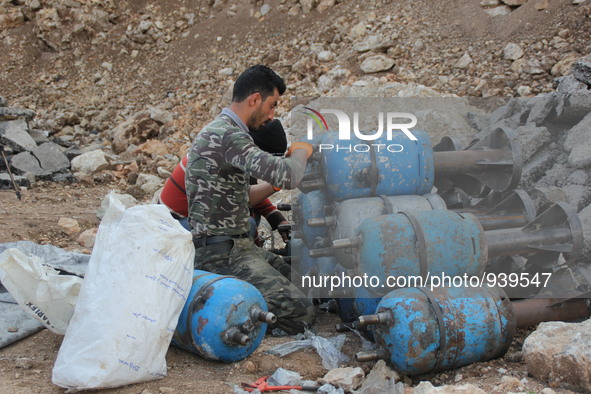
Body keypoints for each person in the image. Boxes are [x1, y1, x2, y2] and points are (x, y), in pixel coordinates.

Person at [186, 65, 316, 335]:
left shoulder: (227, 132)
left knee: (307, 287)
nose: (271, 115)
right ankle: (229, 312)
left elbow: (243, 197)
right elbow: (289, 174)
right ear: (255, 99)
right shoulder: (228, 135)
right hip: (220, 254)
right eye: (272, 105)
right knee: (300, 312)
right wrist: (302, 152)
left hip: (239, 245)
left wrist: (275, 182)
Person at [157, 119, 290, 243]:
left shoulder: (236, 151)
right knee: (247, 223)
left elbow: (246, 191)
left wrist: (277, 218)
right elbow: (240, 203)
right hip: (173, 226)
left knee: (252, 217)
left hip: (185, 217)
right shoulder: (222, 162)